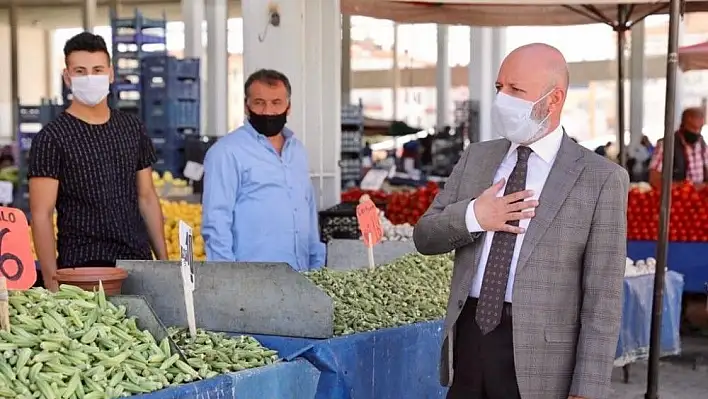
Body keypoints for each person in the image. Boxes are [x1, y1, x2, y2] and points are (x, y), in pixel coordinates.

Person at [413, 43, 628, 399]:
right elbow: (425, 236)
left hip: (543, 362)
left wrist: (587, 389)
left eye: (516, 90)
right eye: (500, 88)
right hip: (469, 341)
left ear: (553, 99)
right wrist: (474, 217)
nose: (503, 100)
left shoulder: (599, 178)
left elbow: (603, 297)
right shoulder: (478, 158)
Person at [28, 32, 167, 291]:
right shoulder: (51, 138)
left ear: (111, 74)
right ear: (67, 77)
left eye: (97, 69)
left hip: (136, 261)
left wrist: (166, 264)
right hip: (82, 267)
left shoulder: (132, 128)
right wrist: (51, 281)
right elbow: (41, 214)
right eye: (80, 71)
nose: (90, 77)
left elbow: (146, 197)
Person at [201, 69, 326, 271]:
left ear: (289, 106)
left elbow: (308, 212)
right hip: (252, 281)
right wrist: (227, 280)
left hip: (301, 277)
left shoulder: (298, 151)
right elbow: (216, 224)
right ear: (246, 106)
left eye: (276, 103)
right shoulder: (226, 152)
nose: (268, 111)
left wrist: (317, 265)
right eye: (259, 102)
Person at [648, 107, 707, 188]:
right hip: (676, 196)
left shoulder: (702, 145)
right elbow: (654, 179)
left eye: (699, 128)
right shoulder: (666, 145)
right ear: (682, 124)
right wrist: (683, 187)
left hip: (699, 197)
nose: (696, 132)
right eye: (692, 127)